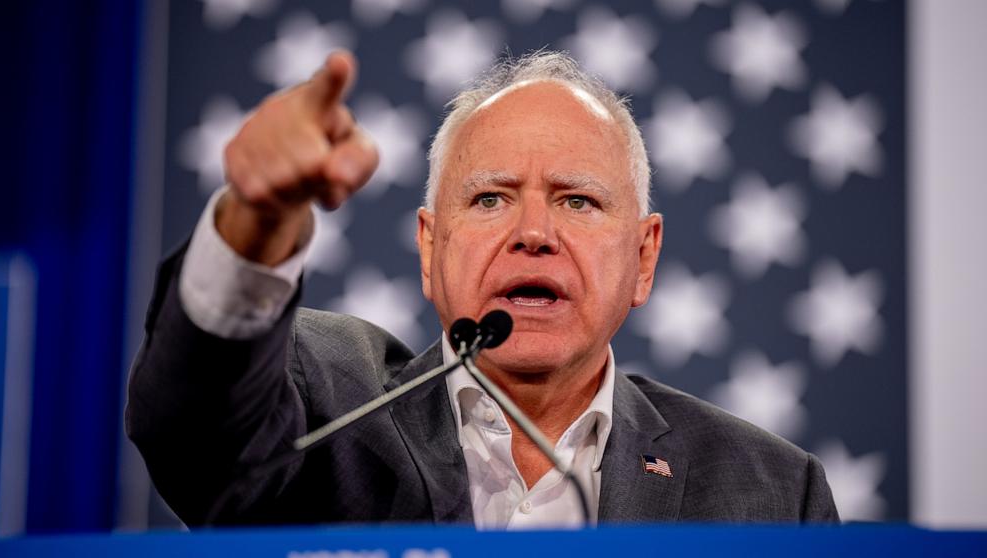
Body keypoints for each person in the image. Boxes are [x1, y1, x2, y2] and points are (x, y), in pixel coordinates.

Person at [126, 50, 839, 528]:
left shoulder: (772, 493)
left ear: (644, 257)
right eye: (491, 198)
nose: (534, 233)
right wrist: (256, 221)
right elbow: (198, 433)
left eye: (578, 201)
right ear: (431, 249)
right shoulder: (326, 403)